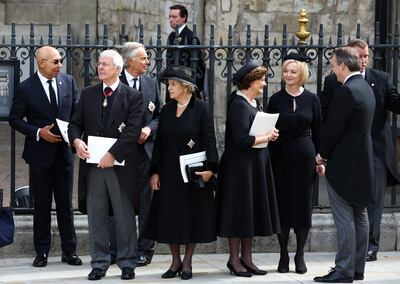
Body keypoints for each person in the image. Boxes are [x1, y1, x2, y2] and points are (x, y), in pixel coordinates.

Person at [320, 39, 400, 263]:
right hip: (349, 151)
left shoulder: (380, 79)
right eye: (359, 56)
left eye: (366, 56)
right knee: (353, 204)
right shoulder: (333, 81)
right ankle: (352, 251)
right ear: (349, 58)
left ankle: (369, 248)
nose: (363, 60)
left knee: (371, 201)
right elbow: (326, 113)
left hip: (376, 150)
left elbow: (395, 103)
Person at [68, 49, 143, 281]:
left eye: (105, 64)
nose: (100, 67)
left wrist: (112, 153)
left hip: (120, 165)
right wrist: (76, 141)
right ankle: (99, 262)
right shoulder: (89, 93)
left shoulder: (132, 96)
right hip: (93, 166)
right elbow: (74, 124)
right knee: (96, 214)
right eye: (99, 64)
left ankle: (127, 262)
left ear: (118, 69)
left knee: (124, 215)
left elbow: (133, 131)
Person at [8, 46, 82, 268]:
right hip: (39, 156)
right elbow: (15, 118)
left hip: (64, 155)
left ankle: (70, 251)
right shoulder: (26, 88)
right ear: (41, 63)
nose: (60, 65)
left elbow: (77, 115)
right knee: (41, 206)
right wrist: (39, 133)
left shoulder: (68, 82)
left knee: (65, 206)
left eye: (60, 61)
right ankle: (41, 252)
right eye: (56, 61)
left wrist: (75, 138)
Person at [145, 65, 218, 280]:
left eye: (173, 84)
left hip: (192, 173)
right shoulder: (167, 110)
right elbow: (158, 144)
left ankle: (187, 262)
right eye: (169, 85)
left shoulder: (202, 109)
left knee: (191, 217)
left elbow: (209, 140)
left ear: (186, 87)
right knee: (169, 217)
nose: (169, 88)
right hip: (168, 172)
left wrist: (211, 169)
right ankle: (175, 261)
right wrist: (155, 171)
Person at [314, 47, 375, 283]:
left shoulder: (347, 91)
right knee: (359, 215)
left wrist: (321, 155)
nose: (332, 69)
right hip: (363, 161)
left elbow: (332, 129)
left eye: (333, 64)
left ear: (342, 65)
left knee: (345, 218)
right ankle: (357, 268)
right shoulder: (365, 88)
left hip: (344, 165)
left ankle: (343, 270)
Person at [216, 60, 280, 278]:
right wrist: (266, 136)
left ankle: (247, 258)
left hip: (255, 166)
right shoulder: (239, 105)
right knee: (238, 213)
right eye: (261, 79)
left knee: (250, 212)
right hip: (239, 169)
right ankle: (234, 259)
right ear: (250, 82)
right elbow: (241, 139)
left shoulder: (254, 104)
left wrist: (268, 134)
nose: (264, 83)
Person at [267, 53, 321, 274]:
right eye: (286, 71)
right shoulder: (275, 99)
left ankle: (299, 254)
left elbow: (318, 131)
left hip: (305, 159)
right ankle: (283, 254)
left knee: (302, 206)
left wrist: (321, 159)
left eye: (293, 71)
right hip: (280, 157)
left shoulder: (312, 99)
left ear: (302, 74)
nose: (288, 75)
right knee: (283, 206)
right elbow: (268, 128)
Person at [117, 41, 161, 266]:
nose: (147, 62)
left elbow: (159, 116)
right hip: (122, 152)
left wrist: (148, 128)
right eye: (143, 58)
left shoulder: (151, 83)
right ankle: (122, 248)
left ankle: (145, 249)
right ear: (129, 60)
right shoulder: (116, 81)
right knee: (120, 201)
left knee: (147, 203)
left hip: (145, 153)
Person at [166, 4, 205, 101]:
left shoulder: (192, 37)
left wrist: (195, 89)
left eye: (174, 17)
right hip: (173, 86)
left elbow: (199, 67)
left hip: (186, 89)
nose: (171, 20)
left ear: (184, 18)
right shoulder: (171, 36)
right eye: (170, 17)